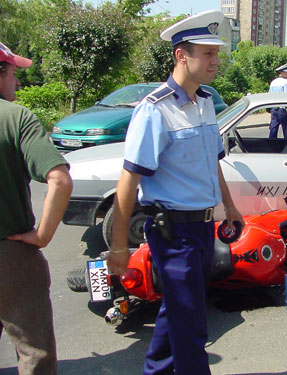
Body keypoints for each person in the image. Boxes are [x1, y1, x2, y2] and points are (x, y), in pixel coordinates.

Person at [106, 10, 244, 375]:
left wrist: (229, 205)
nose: (216, 60)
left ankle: (157, 371)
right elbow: (128, 181)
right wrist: (119, 247)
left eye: (217, 53)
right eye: (208, 53)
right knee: (191, 323)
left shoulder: (206, 103)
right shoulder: (155, 110)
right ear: (182, 55)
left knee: (178, 312)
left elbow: (213, 161)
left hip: (202, 229)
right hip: (173, 232)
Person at [0, 42, 73, 374]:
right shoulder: (16, 119)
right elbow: (59, 180)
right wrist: (42, 235)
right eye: (14, 73)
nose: (17, 82)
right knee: (34, 352)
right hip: (11, 255)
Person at [268, 63, 287, 138]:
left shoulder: (273, 82)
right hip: (282, 109)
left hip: (274, 109)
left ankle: (271, 145)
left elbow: (270, 95)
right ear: (281, 72)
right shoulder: (286, 82)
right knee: (286, 130)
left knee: (273, 129)